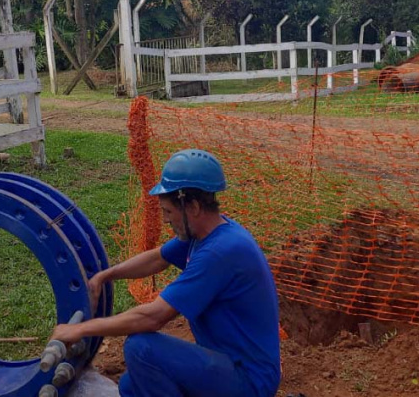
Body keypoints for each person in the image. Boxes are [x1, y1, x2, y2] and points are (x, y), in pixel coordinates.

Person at [51, 149, 281, 397]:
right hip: (227, 363)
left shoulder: (220, 252)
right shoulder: (207, 233)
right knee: (132, 385)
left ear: (191, 206)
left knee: (142, 349)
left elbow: (153, 317)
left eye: (168, 212)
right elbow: (158, 258)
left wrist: (79, 330)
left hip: (249, 380)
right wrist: (105, 276)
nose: (165, 220)